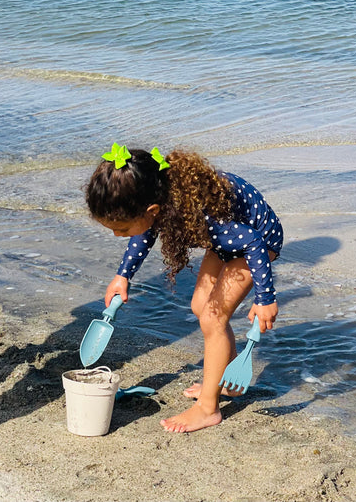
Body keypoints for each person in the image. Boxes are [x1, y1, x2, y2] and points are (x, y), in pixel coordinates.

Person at [85, 143, 283, 433]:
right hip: (227, 241)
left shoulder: (204, 213)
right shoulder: (158, 197)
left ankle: (208, 408)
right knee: (201, 307)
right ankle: (226, 381)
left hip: (257, 242)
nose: (118, 235)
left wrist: (265, 298)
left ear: (151, 210)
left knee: (212, 319)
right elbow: (144, 232)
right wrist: (122, 275)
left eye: (122, 229)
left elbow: (252, 242)